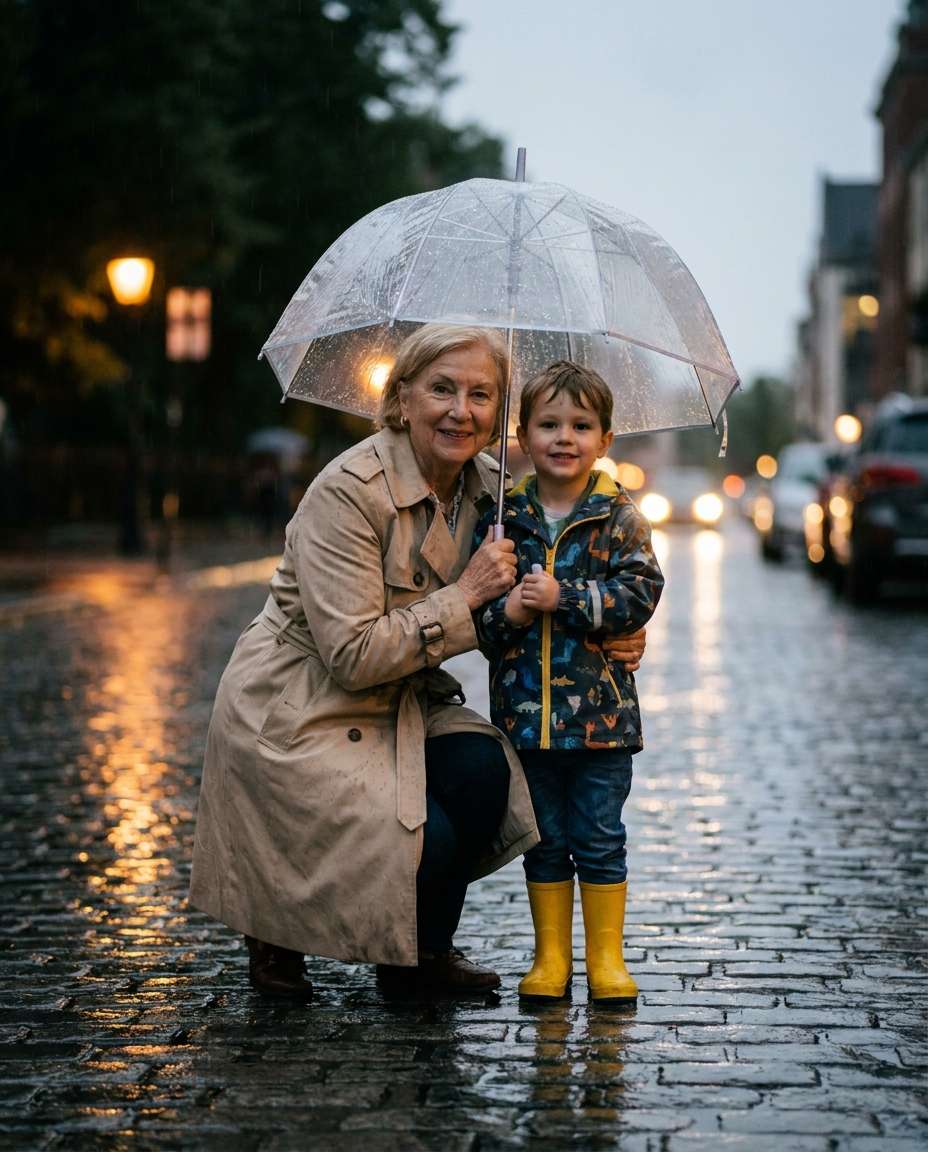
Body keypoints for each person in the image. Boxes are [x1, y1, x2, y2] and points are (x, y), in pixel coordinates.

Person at [189, 326, 648, 1001]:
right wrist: (467, 594)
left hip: (402, 699)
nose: (460, 410)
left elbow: (543, 596)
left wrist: (613, 631)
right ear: (402, 399)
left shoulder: (495, 494)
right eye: (442, 389)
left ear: (499, 416)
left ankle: (422, 954)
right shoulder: (347, 491)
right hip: (303, 704)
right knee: (419, 837)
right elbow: (352, 655)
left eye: (481, 395)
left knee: (486, 771)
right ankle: (277, 930)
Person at [474, 361, 664, 1005]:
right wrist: (511, 610)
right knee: (546, 843)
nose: (564, 437)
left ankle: (607, 960)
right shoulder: (504, 520)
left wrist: (568, 598)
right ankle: (550, 958)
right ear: (523, 437)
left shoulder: (620, 517)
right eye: (549, 424)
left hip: (602, 725)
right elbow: (481, 624)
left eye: (581, 426)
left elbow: (640, 593)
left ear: (604, 439)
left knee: (600, 839)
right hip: (526, 724)